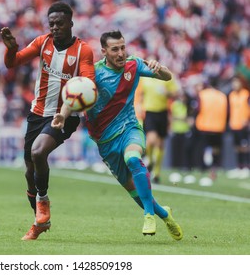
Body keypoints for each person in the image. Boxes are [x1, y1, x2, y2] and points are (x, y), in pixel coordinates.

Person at [52, 30, 183, 240]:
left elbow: (167, 77)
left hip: (130, 128)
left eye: (123, 47)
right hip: (105, 141)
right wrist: (63, 116)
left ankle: (149, 215)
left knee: (133, 158)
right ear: (104, 51)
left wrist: (161, 68)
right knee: (136, 193)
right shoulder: (93, 74)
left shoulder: (134, 65)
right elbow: (74, 97)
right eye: (115, 49)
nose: (121, 53)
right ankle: (165, 214)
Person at [0, 1, 95, 240]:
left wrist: (66, 111)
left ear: (71, 23)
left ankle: (42, 202)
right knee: (29, 172)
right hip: (37, 113)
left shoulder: (83, 51)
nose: (55, 27)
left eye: (60, 23)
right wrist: (11, 49)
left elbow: (87, 85)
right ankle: (40, 219)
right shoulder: (43, 43)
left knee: (38, 152)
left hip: (65, 116)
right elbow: (13, 62)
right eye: (51, 23)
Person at [137, 64, 180, 184]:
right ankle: (150, 161)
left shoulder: (165, 77)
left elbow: (176, 93)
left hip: (163, 112)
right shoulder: (145, 78)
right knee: (151, 139)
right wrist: (140, 105)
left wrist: (168, 93)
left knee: (160, 144)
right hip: (150, 112)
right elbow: (141, 94)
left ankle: (157, 172)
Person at [194, 79, 228, 183]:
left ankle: (202, 168)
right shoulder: (223, 96)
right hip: (218, 126)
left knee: (202, 147)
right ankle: (213, 169)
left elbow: (198, 109)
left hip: (204, 125)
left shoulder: (203, 94)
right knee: (216, 149)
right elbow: (227, 112)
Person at [226, 76, 250, 179]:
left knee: (244, 147)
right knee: (236, 147)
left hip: (243, 125)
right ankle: (239, 167)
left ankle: (246, 167)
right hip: (234, 124)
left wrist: (247, 119)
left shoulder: (246, 94)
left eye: (237, 82)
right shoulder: (231, 95)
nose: (235, 85)